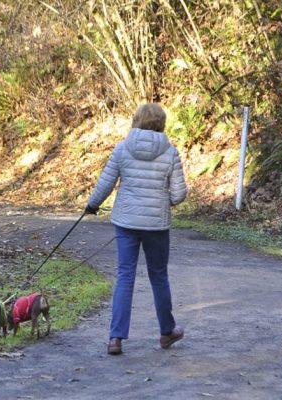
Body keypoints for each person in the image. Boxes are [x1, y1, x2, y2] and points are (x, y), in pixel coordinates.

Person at [85, 103, 188, 355]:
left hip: (126, 223)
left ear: (136, 121)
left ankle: (115, 338)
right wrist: (166, 202)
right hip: (156, 225)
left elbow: (106, 183)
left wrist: (91, 205)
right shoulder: (170, 152)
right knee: (159, 276)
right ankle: (166, 333)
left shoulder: (122, 148)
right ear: (161, 123)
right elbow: (179, 193)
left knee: (125, 276)